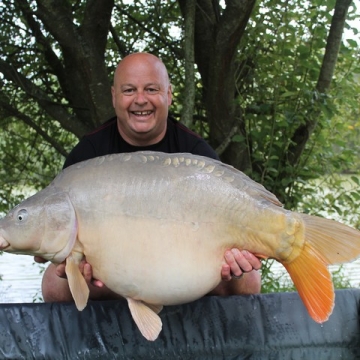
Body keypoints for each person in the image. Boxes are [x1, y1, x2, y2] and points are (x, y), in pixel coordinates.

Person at [36, 52, 261, 303]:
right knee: (54, 283)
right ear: (114, 97)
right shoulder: (88, 155)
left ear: (169, 95)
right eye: (129, 90)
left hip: (182, 267)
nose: (140, 100)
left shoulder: (195, 152)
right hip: (110, 271)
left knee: (249, 280)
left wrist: (236, 261)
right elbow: (60, 237)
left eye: (151, 89)